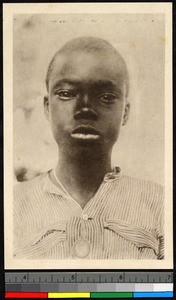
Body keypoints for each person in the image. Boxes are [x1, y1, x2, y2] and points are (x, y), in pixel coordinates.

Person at [13, 37, 164, 260]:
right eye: (66, 93)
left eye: (106, 97)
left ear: (125, 112)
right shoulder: (14, 205)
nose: (85, 108)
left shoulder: (159, 204)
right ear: (47, 108)